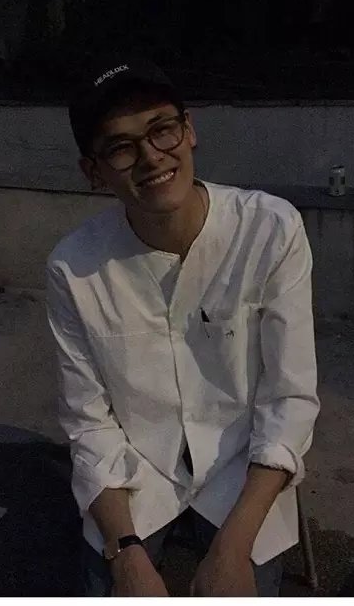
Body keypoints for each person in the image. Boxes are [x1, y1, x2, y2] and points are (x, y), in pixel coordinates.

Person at [46, 57, 320, 597]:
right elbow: (88, 421)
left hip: (240, 465)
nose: (151, 156)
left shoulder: (270, 230)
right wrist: (125, 553)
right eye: (121, 147)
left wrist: (232, 550)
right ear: (93, 172)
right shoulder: (74, 269)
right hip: (137, 471)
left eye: (161, 129)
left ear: (189, 130)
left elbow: (289, 399)